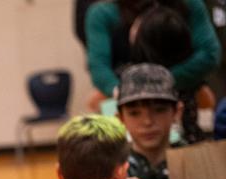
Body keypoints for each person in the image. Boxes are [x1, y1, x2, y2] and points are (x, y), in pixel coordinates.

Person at [84, 0, 220, 119]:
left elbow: (209, 54)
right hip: (126, 94)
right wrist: (128, 92)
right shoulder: (103, 13)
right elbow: (99, 68)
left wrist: (156, 85)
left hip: (180, 89)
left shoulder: (187, 4)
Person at [117, 64, 184, 179]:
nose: (147, 121)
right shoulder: (110, 173)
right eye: (134, 113)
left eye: (159, 110)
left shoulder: (200, 165)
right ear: (120, 118)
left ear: (177, 112)